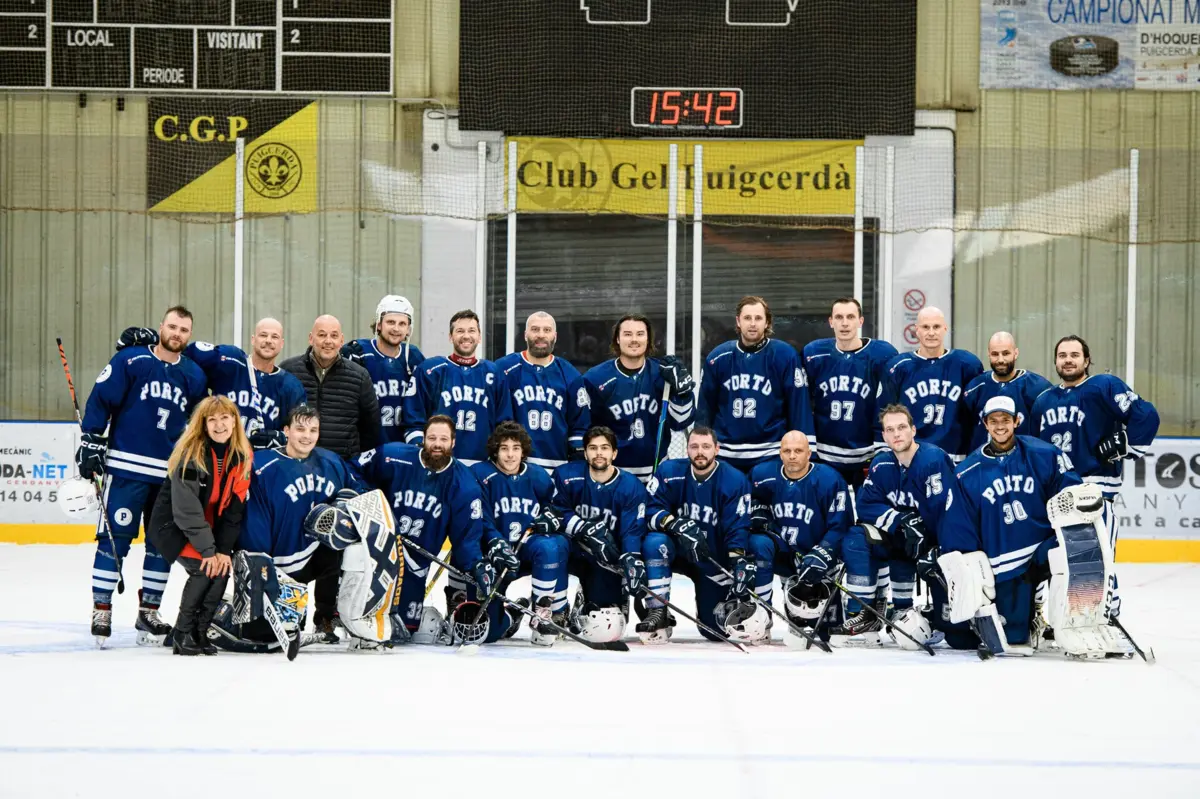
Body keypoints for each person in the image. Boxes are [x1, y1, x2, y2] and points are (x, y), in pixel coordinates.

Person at [208, 405, 403, 653]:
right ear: (286, 430)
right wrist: (261, 567)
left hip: (313, 554)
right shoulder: (262, 466)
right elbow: (252, 521)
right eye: (300, 429)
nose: (306, 436)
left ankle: (350, 620)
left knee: (360, 547)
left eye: (313, 430)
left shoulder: (331, 461)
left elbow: (361, 496)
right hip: (275, 563)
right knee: (260, 633)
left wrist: (343, 506)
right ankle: (237, 612)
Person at [77, 305, 208, 647]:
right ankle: (101, 607)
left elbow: (198, 423)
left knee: (161, 545)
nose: (177, 333)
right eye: (172, 326)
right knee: (114, 539)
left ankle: (148, 611)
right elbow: (101, 399)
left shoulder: (194, 375)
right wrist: (91, 439)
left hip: (169, 474)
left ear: (189, 336)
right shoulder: (131, 360)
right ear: (160, 327)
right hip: (125, 468)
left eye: (184, 330)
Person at [917, 396, 1082, 654]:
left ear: (1017, 421)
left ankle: (1079, 619)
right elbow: (959, 526)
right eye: (994, 421)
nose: (1000, 425)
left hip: (1042, 548)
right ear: (985, 424)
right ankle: (1028, 614)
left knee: (1075, 547)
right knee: (1005, 638)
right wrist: (971, 568)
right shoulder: (968, 472)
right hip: (1006, 564)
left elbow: (1069, 495)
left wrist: (1065, 532)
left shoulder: (1044, 454)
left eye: (1006, 419)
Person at [1030, 335, 1159, 618]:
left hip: (1095, 488)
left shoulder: (1104, 386)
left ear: (1086, 360)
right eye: (1062, 355)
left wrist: (1126, 443)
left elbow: (1146, 415)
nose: (1068, 360)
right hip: (1054, 494)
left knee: (1097, 560)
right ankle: (1056, 617)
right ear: (1055, 361)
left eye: (1075, 355)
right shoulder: (1043, 401)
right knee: (1055, 560)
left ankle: (1105, 618)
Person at [351, 415, 499, 642]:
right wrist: (365, 499)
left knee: (403, 631)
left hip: (415, 564)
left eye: (443, 439)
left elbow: (466, 539)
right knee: (361, 617)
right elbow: (354, 470)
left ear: (453, 442)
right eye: (432, 438)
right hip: (379, 550)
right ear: (423, 439)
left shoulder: (464, 485)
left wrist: (477, 565)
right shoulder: (395, 456)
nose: (437, 444)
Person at [280, 314, 381, 633]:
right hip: (297, 468)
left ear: (342, 340)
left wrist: (354, 464)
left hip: (338, 470)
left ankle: (326, 614)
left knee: (332, 540)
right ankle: (291, 609)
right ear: (311, 337)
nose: (327, 341)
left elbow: (371, 427)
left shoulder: (358, 375)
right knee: (293, 538)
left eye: (333, 335)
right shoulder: (290, 370)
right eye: (321, 334)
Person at [841, 404, 964, 638]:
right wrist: (900, 520)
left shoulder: (933, 460)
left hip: (937, 541)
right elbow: (865, 506)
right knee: (856, 538)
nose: (896, 434)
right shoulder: (881, 463)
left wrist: (937, 545)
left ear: (913, 430)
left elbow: (946, 512)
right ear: (884, 436)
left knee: (954, 633)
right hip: (902, 536)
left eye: (901, 427)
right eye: (890, 429)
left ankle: (914, 609)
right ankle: (867, 612)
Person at [145, 396, 252, 655]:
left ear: (235, 421)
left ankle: (200, 631)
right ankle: (181, 633)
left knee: (222, 569)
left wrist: (223, 550)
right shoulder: (191, 453)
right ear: (202, 425)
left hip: (209, 528)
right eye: (211, 420)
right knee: (205, 569)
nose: (219, 425)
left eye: (225, 418)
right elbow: (186, 510)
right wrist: (208, 551)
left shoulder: (242, 455)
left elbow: (234, 509)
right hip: (175, 527)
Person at [641, 427, 758, 643]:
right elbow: (649, 510)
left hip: (710, 558)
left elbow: (737, 526)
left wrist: (737, 559)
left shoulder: (734, 480)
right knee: (654, 542)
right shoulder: (669, 472)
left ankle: (706, 608)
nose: (700, 452)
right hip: (676, 552)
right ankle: (658, 609)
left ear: (717, 449)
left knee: (714, 631)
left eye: (706, 447)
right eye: (694, 447)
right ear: (687, 449)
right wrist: (675, 523)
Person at [116, 317, 307, 449]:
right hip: (218, 458)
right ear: (253, 339)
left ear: (281, 343)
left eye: (274, 337)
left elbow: (302, 432)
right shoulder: (230, 360)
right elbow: (181, 352)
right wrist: (153, 341)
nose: (268, 341)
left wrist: (281, 438)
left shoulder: (291, 386)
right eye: (263, 335)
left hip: (259, 466)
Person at [748, 431, 852, 641]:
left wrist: (823, 552)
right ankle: (761, 614)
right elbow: (744, 500)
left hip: (818, 557)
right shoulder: (761, 475)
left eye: (798, 451)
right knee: (758, 543)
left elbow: (841, 525)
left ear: (809, 453)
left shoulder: (830, 479)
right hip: (784, 552)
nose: (792, 456)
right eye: (787, 451)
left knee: (827, 633)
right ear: (780, 453)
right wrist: (757, 511)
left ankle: (821, 588)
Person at [549, 426, 649, 642]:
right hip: (572, 549)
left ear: (614, 453)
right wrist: (584, 529)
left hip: (604, 558)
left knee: (607, 622)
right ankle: (557, 609)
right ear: (585, 453)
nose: (599, 453)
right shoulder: (566, 476)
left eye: (605, 448)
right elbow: (556, 511)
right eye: (592, 448)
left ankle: (594, 595)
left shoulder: (631, 487)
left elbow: (632, 530)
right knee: (553, 547)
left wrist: (630, 558)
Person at [471, 421, 566, 645]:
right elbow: (478, 516)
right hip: (493, 555)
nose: (510, 455)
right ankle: (511, 615)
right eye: (504, 448)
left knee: (551, 545)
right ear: (495, 450)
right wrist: (494, 541)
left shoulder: (538, 476)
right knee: (489, 633)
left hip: (527, 550)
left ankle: (541, 613)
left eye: (516, 448)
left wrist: (552, 517)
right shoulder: (479, 474)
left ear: (523, 451)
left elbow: (557, 507)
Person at [696, 295, 814, 473]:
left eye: (758, 318)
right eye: (747, 318)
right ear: (738, 321)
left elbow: (798, 407)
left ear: (767, 322)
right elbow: (705, 409)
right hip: (727, 454)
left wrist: (804, 450)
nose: (752, 323)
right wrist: (701, 448)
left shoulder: (784, 356)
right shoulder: (718, 358)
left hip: (770, 454)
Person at [584, 314, 695, 483]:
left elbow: (680, 422)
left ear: (649, 339)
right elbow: (586, 427)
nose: (634, 339)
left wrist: (683, 394)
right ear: (617, 339)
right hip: (613, 474)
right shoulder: (596, 377)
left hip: (657, 472)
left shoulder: (662, 374)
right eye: (627, 334)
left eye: (640, 334)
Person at [802, 298, 898, 489]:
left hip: (867, 454)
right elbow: (802, 402)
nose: (844, 323)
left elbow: (890, 405)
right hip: (825, 454)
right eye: (839, 317)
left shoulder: (882, 354)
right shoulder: (814, 353)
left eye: (850, 317)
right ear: (831, 322)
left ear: (860, 321)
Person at [404, 309, 513, 464]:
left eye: (472, 331)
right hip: (439, 463)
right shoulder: (430, 370)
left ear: (479, 337)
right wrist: (424, 456)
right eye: (460, 331)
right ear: (450, 336)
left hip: (481, 465)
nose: (466, 336)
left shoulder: (495, 373)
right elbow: (413, 419)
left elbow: (504, 423)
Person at [879, 307, 983, 461]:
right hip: (911, 458)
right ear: (917, 330)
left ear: (945, 328)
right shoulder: (898, 367)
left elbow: (977, 415)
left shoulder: (966, 365)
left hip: (955, 456)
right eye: (926, 327)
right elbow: (884, 414)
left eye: (936, 327)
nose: (931, 332)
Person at [496, 311, 591, 471]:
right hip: (511, 467)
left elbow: (580, 425)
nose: (541, 335)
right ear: (525, 334)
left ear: (555, 335)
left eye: (546, 330)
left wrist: (574, 467)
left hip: (556, 467)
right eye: (535, 329)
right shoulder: (503, 369)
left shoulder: (570, 374)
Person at [342, 295, 426, 444]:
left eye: (402, 324)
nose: (396, 328)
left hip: (403, 447)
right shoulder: (357, 353)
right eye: (390, 322)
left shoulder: (414, 357)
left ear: (408, 329)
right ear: (379, 324)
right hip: (365, 447)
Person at [961, 331, 1052, 452]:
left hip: (1023, 462)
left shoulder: (1037, 387)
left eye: (1006, 353)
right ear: (988, 354)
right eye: (995, 354)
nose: (1000, 360)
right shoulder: (975, 387)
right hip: (984, 463)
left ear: (1016, 353)